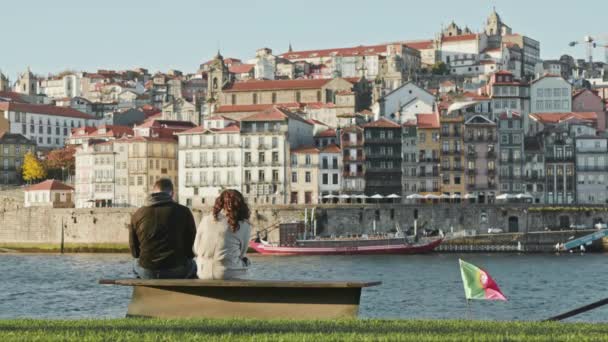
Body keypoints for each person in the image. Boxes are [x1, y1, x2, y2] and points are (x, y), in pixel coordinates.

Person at [129, 178, 197, 279]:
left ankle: (142, 291)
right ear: (172, 193)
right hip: (177, 270)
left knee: (136, 263)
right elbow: (191, 248)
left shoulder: (137, 214)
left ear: (153, 192)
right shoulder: (184, 211)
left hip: (148, 271)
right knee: (193, 265)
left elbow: (135, 252)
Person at [194, 189, 251, 280]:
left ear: (219, 202)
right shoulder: (244, 225)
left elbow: (196, 248)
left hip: (202, 272)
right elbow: (242, 253)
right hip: (227, 272)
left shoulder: (205, 219)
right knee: (247, 263)